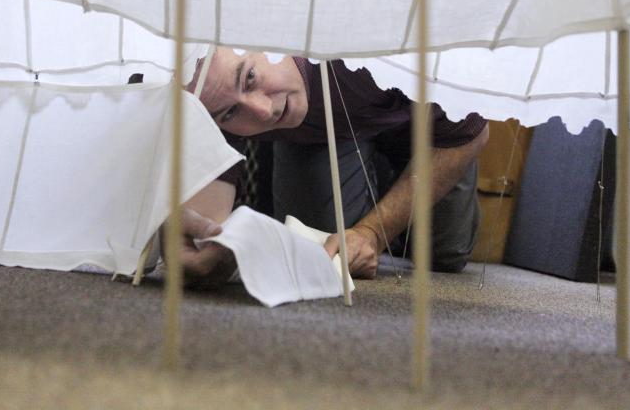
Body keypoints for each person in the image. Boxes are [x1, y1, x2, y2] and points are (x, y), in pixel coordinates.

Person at [175, 48, 489, 284]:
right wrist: (208, 245)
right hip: (324, 135)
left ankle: (385, 188)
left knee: (445, 254)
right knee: (326, 250)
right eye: (229, 114)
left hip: (432, 129)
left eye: (251, 78)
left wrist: (373, 232)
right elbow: (204, 220)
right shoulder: (213, 97)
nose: (263, 111)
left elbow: (472, 132)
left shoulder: (359, 50)